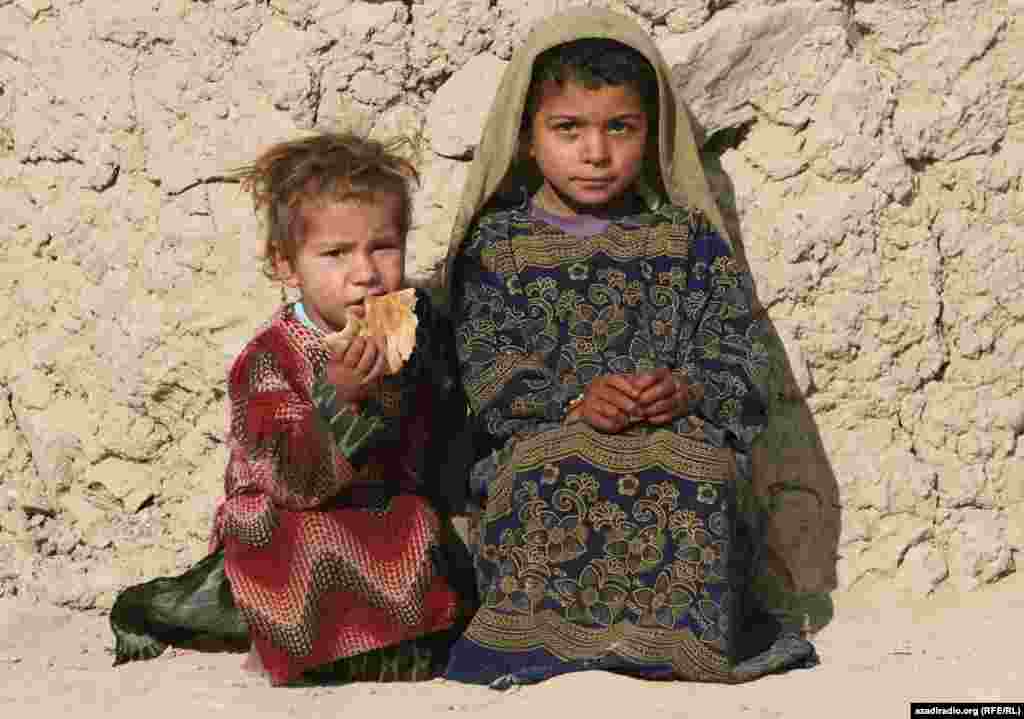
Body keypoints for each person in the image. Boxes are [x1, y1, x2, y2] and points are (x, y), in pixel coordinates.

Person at [440, 8, 816, 688]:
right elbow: (482, 365)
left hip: (675, 435)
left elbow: (737, 355)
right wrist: (574, 401)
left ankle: (683, 645)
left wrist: (686, 389)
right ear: (527, 138)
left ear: (653, 133)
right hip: (544, 441)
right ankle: (538, 642)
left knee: (701, 474)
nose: (596, 151)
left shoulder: (687, 241)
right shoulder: (497, 248)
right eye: (569, 128)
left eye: (621, 127)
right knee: (541, 479)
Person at [110, 132, 475, 686]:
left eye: (383, 246)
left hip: (378, 510)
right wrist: (340, 398)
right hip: (290, 515)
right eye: (335, 254)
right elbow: (291, 478)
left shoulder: (416, 330)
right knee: (301, 548)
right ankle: (327, 649)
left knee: (419, 530)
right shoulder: (268, 359)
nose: (366, 273)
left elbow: (434, 436)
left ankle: (387, 644)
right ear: (286, 265)